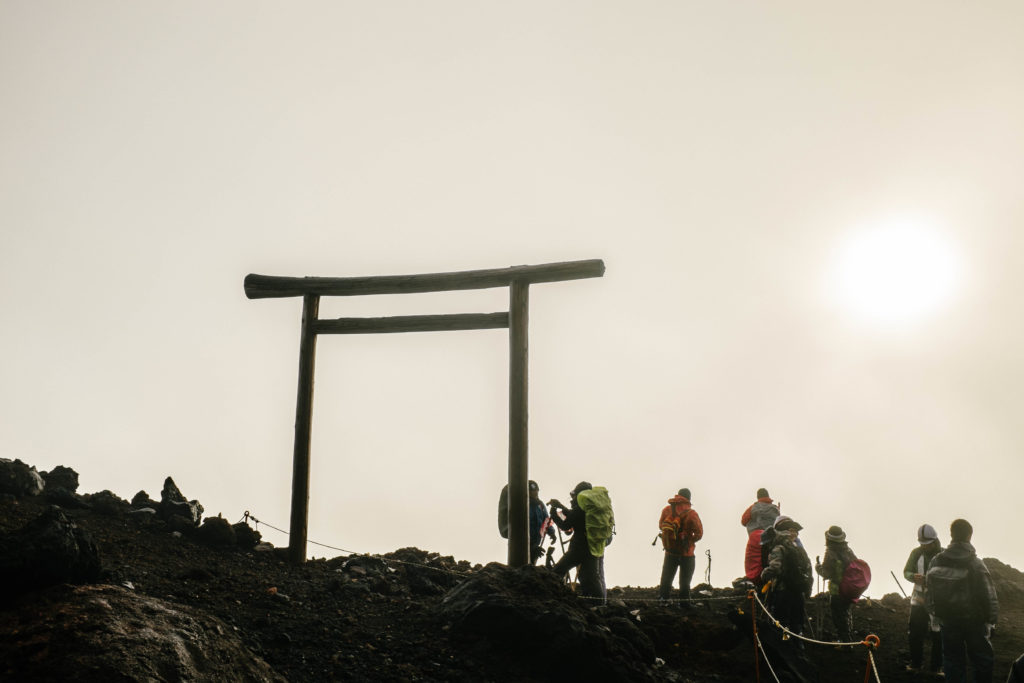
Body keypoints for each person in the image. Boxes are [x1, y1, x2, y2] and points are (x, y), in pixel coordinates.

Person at [926, 519, 999, 683]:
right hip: (974, 621)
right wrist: (991, 622)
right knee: (982, 661)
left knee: (952, 661)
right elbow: (989, 595)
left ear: (951, 535)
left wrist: (934, 617)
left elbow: (929, 590)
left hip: (948, 620)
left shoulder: (936, 561)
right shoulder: (975, 563)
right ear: (969, 536)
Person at [549, 482, 604, 601]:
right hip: (592, 547)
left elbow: (566, 525)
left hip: (578, 548)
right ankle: (599, 604)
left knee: (558, 570)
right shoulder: (590, 507)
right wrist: (561, 506)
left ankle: (551, 597)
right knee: (591, 577)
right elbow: (575, 517)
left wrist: (554, 515)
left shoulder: (580, 508)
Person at [760, 515, 813, 636]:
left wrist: (764, 575)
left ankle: (783, 645)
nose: (794, 533)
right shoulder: (799, 549)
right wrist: (807, 588)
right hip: (798, 590)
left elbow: (775, 567)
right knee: (797, 622)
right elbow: (808, 569)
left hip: (782, 589)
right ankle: (798, 646)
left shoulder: (778, 547)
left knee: (781, 621)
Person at [903, 523, 943, 675]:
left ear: (934, 540)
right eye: (922, 544)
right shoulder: (915, 553)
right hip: (918, 600)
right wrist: (913, 577)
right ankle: (916, 664)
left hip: (937, 601)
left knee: (938, 634)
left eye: (927, 544)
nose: (924, 547)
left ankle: (937, 667)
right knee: (915, 633)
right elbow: (906, 571)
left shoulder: (943, 555)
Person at [658, 488, 703, 603]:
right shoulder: (692, 513)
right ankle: (683, 603)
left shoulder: (667, 510)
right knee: (685, 581)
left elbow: (661, 526)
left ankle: (663, 599)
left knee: (666, 578)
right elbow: (699, 533)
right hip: (686, 552)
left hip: (670, 550)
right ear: (689, 499)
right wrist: (690, 539)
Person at [814, 525, 858, 642]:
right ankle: (848, 639)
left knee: (838, 616)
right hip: (850, 588)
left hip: (837, 590)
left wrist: (817, 567)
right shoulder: (848, 550)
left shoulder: (830, 552)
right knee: (846, 613)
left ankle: (844, 642)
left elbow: (827, 573)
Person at [740, 487, 780, 583]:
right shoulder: (775, 508)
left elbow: (743, 521)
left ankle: (756, 579)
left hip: (756, 538)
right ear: (768, 496)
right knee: (771, 558)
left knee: (756, 561)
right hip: (772, 536)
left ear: (758, 497)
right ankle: (771, 579)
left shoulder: (753, 507)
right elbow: (779, 522)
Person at [527, 480, 556, 565]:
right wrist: (531, 546)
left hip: (536, 543)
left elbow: (546, 520)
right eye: (532, 490)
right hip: (524, 545)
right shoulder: (523, 504)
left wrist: (552, 533)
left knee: (532, 565)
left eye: (536, 490)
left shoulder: (540, 505)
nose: (535, 492)